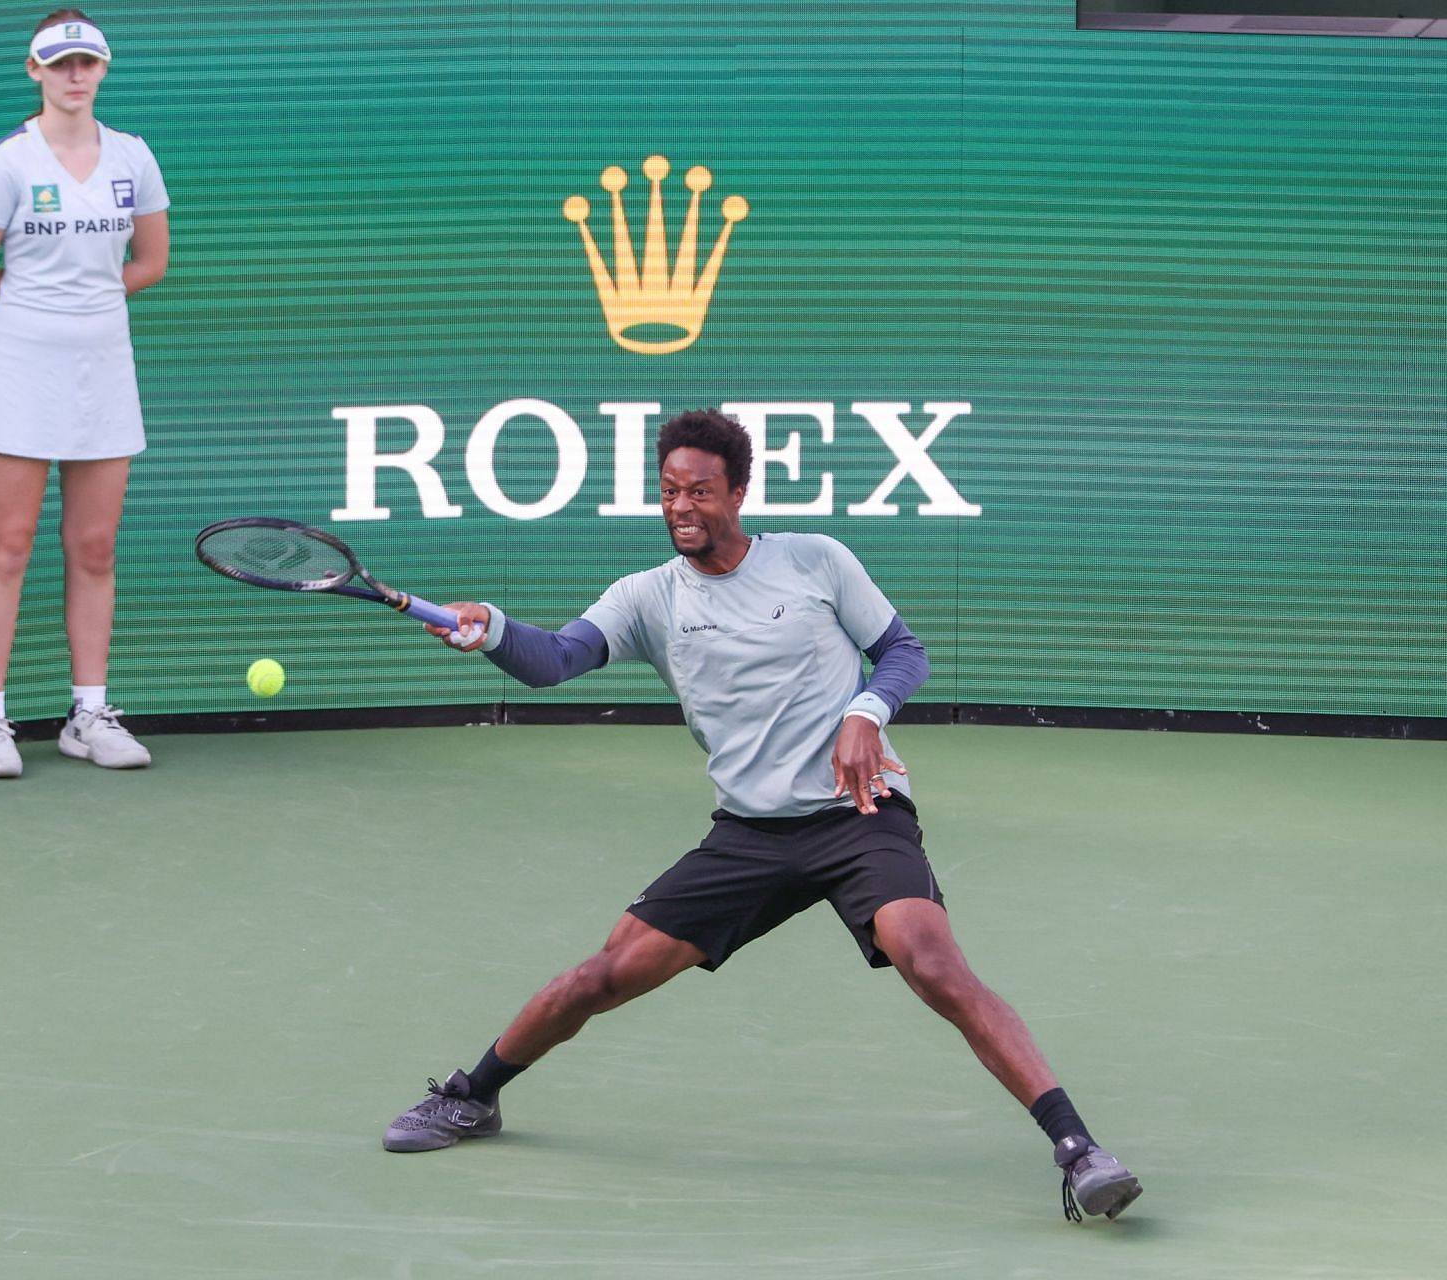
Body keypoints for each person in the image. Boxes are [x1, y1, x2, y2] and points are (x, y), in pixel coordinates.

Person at [382, 408, 1142, 1224]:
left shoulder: (815, 560)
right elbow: (557, 660)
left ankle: (1079, 1150)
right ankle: (473, 1097)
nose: (682, 507)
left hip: (858, 813)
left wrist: (865, 714)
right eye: (669, 491)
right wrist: (491, 628)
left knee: (931, 959)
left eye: (700, 492)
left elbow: (903, 651)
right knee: (601, 977)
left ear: (739, 492)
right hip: (747, 832)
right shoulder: (648, 597)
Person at [0, 9, 168, 778]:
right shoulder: (7, 161)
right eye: (60, 63)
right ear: (34, 71)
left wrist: (86, 299)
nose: (75, 75)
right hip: (20, 368)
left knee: (95, 548)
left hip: (104, 369)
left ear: (102, 69)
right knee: (9, 545)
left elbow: (151, 260)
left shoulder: (133, 157)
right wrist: (42, 298)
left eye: (88, 63)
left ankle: (89, 714)